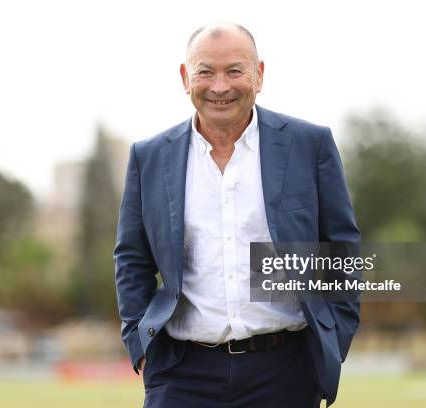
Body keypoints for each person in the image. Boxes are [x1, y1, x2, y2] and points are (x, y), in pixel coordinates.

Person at [114, 22, 360, 408]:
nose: (220, 86)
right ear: (185, 77)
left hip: (286, 372)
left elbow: (341, 250)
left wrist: (336, 334)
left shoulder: (309, 145)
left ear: (259, 74)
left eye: (234, 70)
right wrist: (138, 339)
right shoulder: (149, 157)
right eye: (205, 72)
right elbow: (131, 257)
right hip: (181, 374)